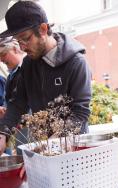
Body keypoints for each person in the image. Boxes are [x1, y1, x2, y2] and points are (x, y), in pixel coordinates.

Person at [0, 1, 92, 155]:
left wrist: (53, 141)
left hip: (73, 150)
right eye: (18, 41)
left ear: (43, 29)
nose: (22, 47)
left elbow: (80, 113)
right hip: (43, 147)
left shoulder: (76, 63)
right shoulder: (29, 64)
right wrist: (3, 134)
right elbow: (18, 103)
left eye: (26, 38)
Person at [0, 37, 26, 155]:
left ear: (15, 49)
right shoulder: (11, 76)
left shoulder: (29, 68)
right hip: (18, 129)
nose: (1, 59)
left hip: (33, 127)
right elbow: (11, 103)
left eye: (3, 54)